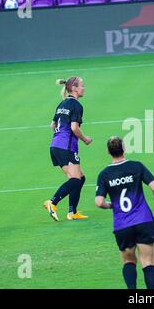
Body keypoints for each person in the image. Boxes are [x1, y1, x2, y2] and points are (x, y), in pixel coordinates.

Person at [95, 136, 154, 289]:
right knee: (147, 262)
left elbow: (99, 202)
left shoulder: (104, 174)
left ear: (108, 151)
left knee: (128, 262)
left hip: (122, 225)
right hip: (143, 221)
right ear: (124, 148)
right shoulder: (136, 166)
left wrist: (111, 205)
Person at [43, 77, 92, 221]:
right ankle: (52, 202)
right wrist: (85, 139)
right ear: (75, 89)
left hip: (55, 146)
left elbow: (52, 125)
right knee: (76, 180)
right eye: (82, 86)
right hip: (66, 147)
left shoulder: (62, 104)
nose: (84, 88)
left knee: (79, 178)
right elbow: (74, 127)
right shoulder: (76, 105)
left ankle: (72, 212)